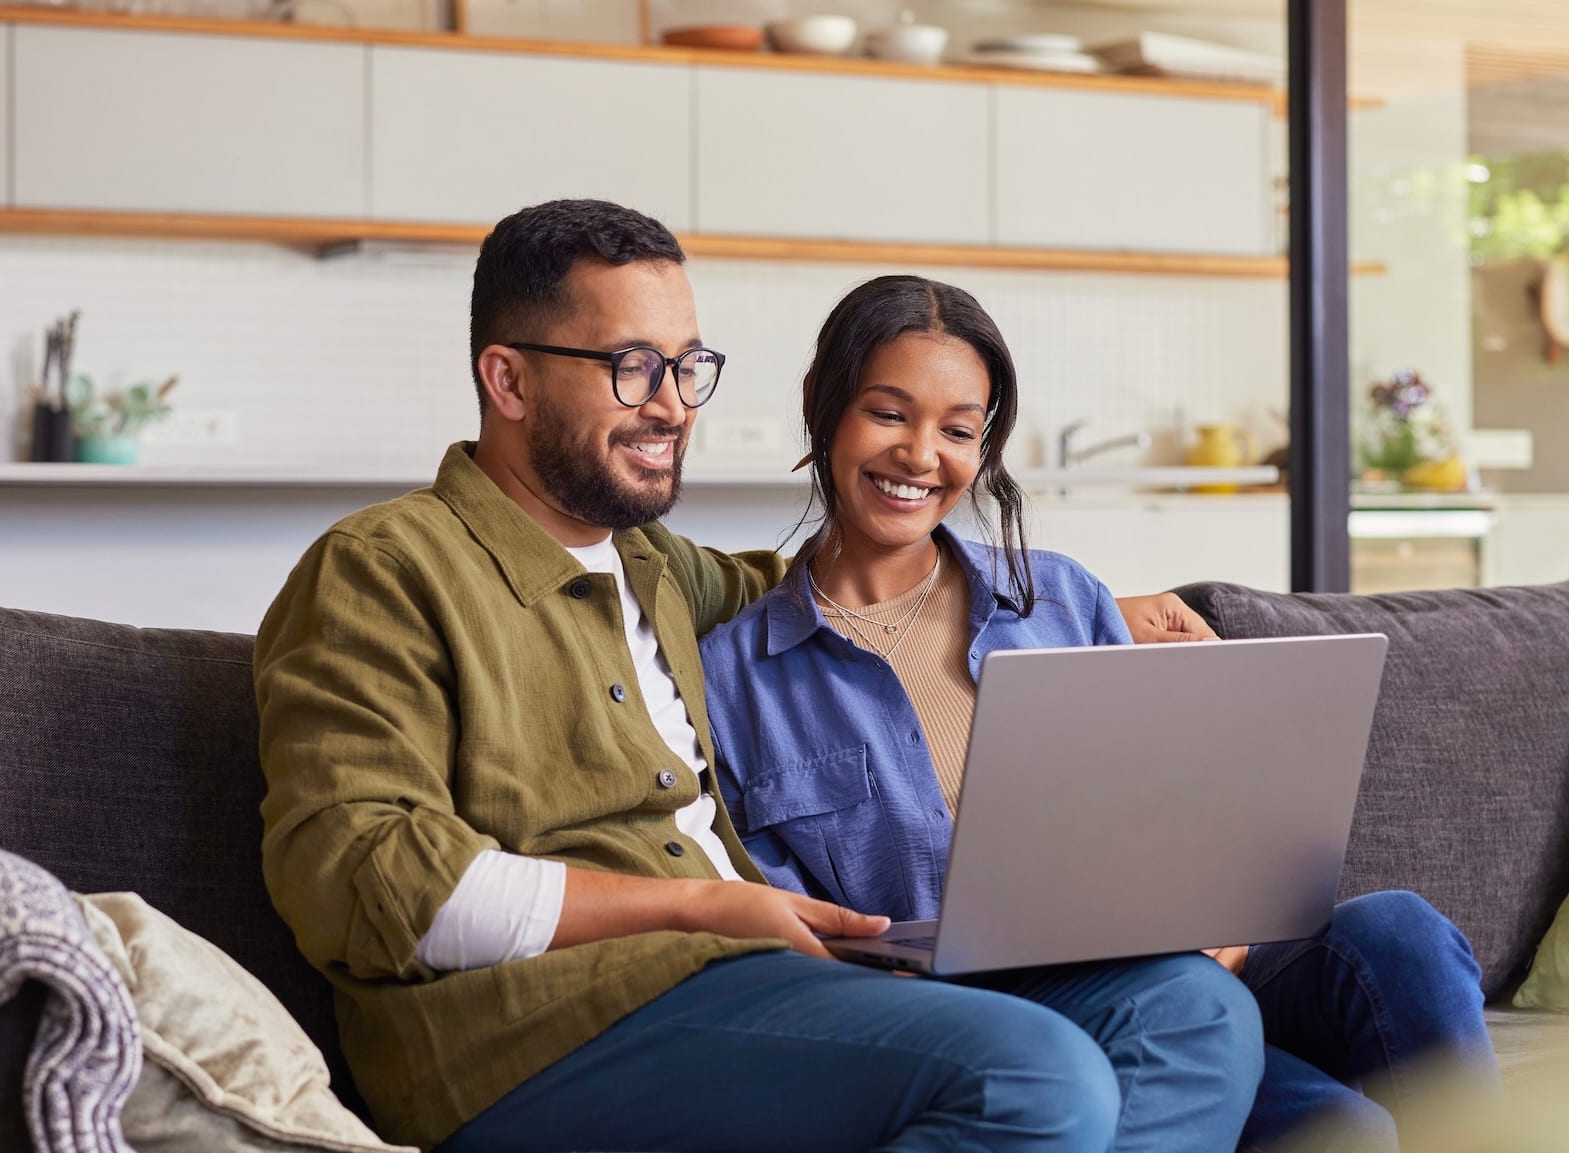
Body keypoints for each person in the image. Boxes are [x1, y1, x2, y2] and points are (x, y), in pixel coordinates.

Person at [255, 200, 1264, 1153]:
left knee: (1187, 1007)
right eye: (630, 366)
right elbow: (366, 883)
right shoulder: (382, 567)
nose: (670, 406)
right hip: (531, 1030)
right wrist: (697, 905)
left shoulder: (656, 570)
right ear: (508, 381)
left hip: (745, 981)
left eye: (686, 366)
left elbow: (833, 587)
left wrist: (1072, 606)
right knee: (1032, 1076)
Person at [699, 273, 1501, 1153]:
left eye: (959, 430)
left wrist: (1223, 923)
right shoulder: (737, 679)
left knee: (1402, 932)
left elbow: (1187, 808)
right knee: (1345, 1129)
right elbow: (794, 947)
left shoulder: (1062, 600)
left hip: (1183, 965)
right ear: (822, 405)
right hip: (993, 1018)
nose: (922, 455)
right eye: (889, 414)